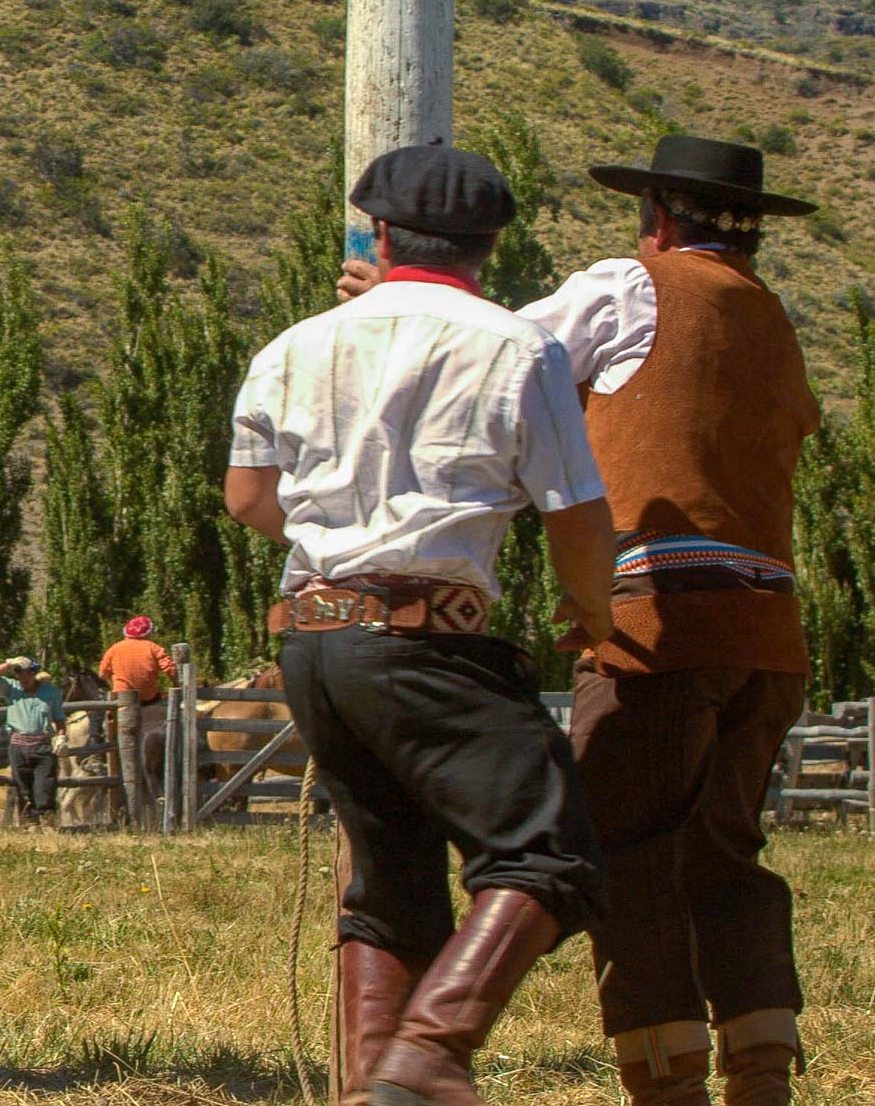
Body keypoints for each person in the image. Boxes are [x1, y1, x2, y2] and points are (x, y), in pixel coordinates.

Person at [342, 137, 820, 1105]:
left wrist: (396, 311)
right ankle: (761, 1070)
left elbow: (500, 358)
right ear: (749, 232)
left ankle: (667, 1081)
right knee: (724, 852)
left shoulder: (630, 289)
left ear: (656, 218)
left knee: (628, 853)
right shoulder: (770, 320)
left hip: (658, 629)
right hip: (768, 640)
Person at [230, 145, 616, 1106]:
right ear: (491, 244)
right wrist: (593, 609)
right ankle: (429, 1055)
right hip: (426, 638)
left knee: (390, 885)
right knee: (546, 851)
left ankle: (375, 1091)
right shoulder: (520, 347)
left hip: (314, 640)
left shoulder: (293, 345)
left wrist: (340, 545)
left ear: (383, 234)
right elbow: (575, 513)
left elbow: (246, 499)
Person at [97, 614, 176, 822]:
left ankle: (98, 762)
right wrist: (176, 685)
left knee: (106, 735)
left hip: (122, 704)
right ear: (148, 632)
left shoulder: (115, 648)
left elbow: (102, 673)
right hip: (150, 700)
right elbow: (171, 669)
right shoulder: (153, 647)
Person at [0, 656, 65, 827]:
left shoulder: (50, 693)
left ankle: (48, 820)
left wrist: (61, 736)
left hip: (42, 744)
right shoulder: (11, 689)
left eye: (27, 674)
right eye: (20, 674)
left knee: (45, 784)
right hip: (18, 745)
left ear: (35, 674)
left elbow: (59, 717)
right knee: (22, 786)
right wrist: (8, 663)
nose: (24, 678)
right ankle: (30, 823)